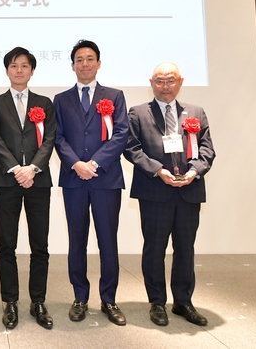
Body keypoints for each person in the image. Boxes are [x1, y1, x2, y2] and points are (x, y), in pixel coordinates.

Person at [124, 62, 215, 327]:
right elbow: (131, 148)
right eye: (160, 81)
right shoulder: (138, 113)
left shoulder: (196, 112)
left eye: (170, 80)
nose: (165, 86)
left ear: (181, 82)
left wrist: (194, 171)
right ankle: (157, 302)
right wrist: (158, 170)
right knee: (154, 249)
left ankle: (183, 301)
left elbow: (207, 149)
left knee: (185, 248)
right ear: (151, 83)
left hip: (188, 191)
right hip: (154, 191)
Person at [53, 40, 129, 326]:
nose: (84, 64)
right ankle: (80, 297)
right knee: (77, 240)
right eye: (79, 60)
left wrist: (94, 164)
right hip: (74, 179)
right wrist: (76, 164)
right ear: (72, 65)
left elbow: (121, 134)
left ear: (98, 63)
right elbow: (58, 137)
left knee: (107, 240)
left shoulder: (115, 96)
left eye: (89, 59)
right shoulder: (61, 99)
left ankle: (109, 298)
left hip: (105, 179)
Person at [0, 47, 57, 330]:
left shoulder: (44, 103)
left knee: (40, 244)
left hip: (38, 181)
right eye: (14, 65)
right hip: (8, 181)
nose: (19, 70)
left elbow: (50, 139)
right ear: (7, 70)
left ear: (32, 70)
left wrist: (33, 168)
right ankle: (10, 301)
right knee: (7, 243)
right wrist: (17, 169)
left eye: (24, 65)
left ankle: (38, 301)